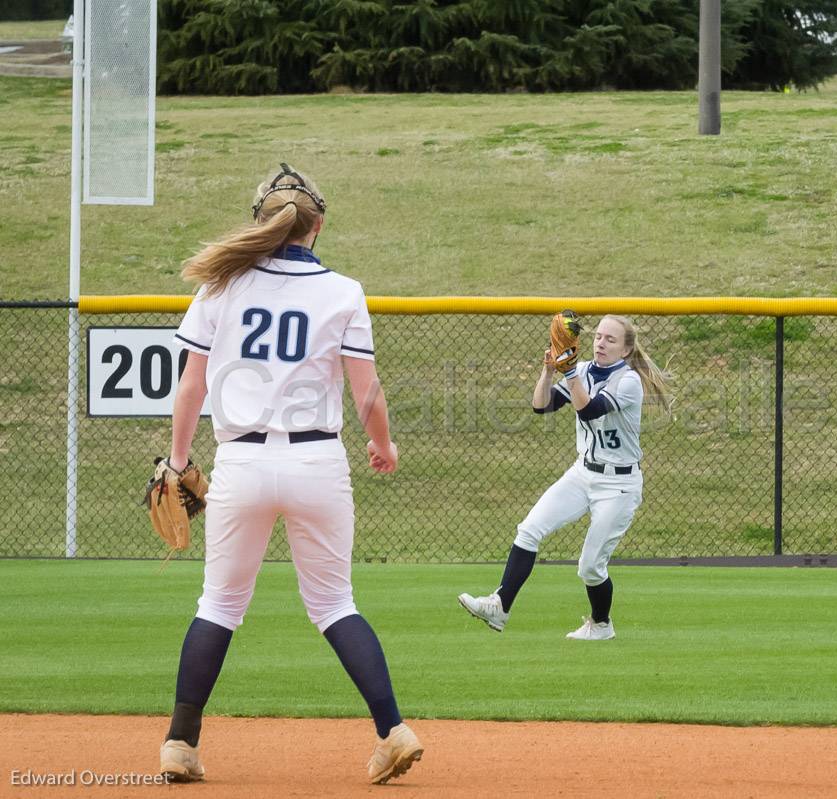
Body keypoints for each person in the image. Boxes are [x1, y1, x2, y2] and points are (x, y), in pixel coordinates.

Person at [158, 164, 422, 784]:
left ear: (261, 223)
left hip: (242, 461)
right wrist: (382, 444)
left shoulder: (220, 288)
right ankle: (393, 730)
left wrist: (177, 460)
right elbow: (368, 392)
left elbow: (192, 385)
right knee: (334, 603)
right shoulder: (343, 290)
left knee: (219, 605)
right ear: (319, 226)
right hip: (316, 462)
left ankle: (179, 745)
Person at [457, 314, 669, 640]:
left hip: (618, 485)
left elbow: (589, 409)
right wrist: (548, 370)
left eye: (610, 339)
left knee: (590, 567)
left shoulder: (627, 381)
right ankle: (500, 606)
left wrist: (568, 371)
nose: (601, 342)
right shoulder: (583, 369)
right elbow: (542, 406)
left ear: (626, 351)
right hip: (582, 473)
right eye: (598, 336)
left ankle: (601, 625)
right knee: (528, 530)